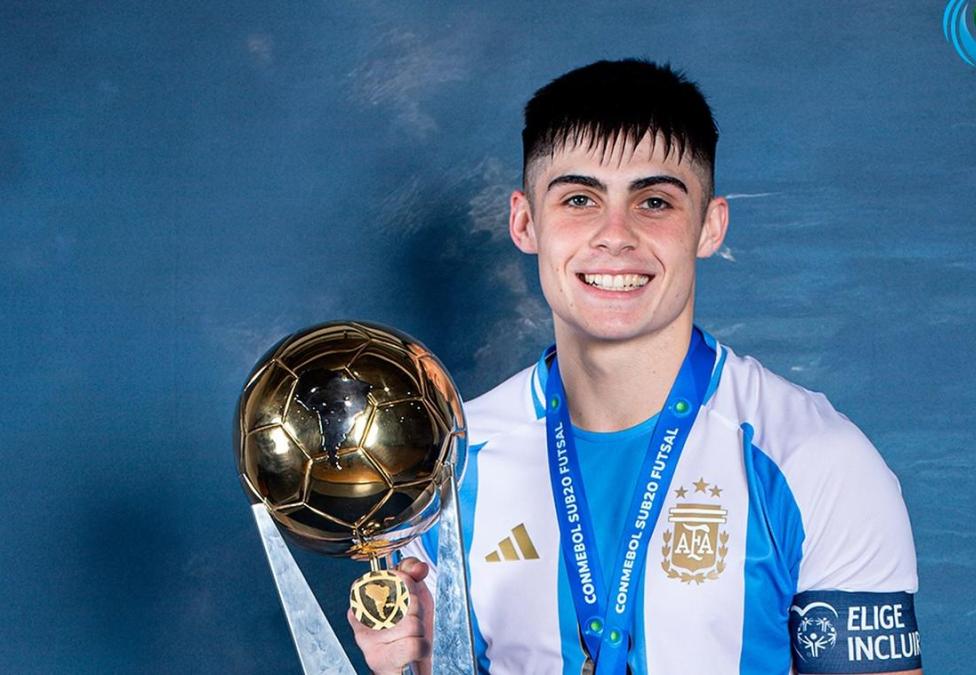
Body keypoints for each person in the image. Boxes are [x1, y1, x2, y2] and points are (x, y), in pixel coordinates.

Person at [349, 59, 922, 675]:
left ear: (709, 226)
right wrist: (415, 666)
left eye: (654, 201)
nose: (615, 235)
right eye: (579, 199)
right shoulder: (448, 467)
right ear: (524, 221)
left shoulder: (816, 459)